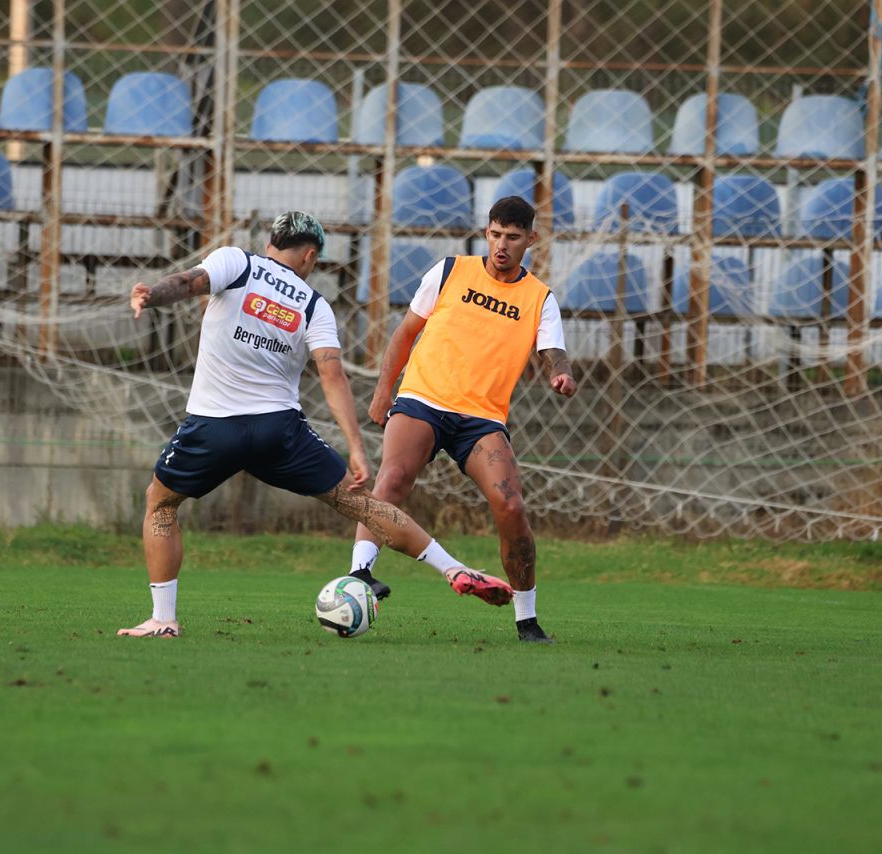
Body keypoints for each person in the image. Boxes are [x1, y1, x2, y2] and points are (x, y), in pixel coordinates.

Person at [119, 211, 512, 638]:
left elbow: (186, 283)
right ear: (310, 256)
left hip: (214, 426)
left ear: (272, 243)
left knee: (161, 503)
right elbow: (332, 376)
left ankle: (163, 619)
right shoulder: (313, 305)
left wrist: (150, 296)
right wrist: (357, 449)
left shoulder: (237, 262)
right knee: (365, 507)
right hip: (280, 432)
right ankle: (454, 568)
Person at [349, 196, 578, 644]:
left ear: (531, 240)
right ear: (486, 232)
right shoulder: (450, 270)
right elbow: (406, 332)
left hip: (481, 418)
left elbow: (554, 351)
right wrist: (383, 391)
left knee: (510, 506)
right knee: (393, 477)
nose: (502, 245)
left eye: (513, 237)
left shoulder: (539, 298)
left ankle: (526, 619)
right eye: (495, 234)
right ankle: (359, 575)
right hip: (422, 398)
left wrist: (561, 372)